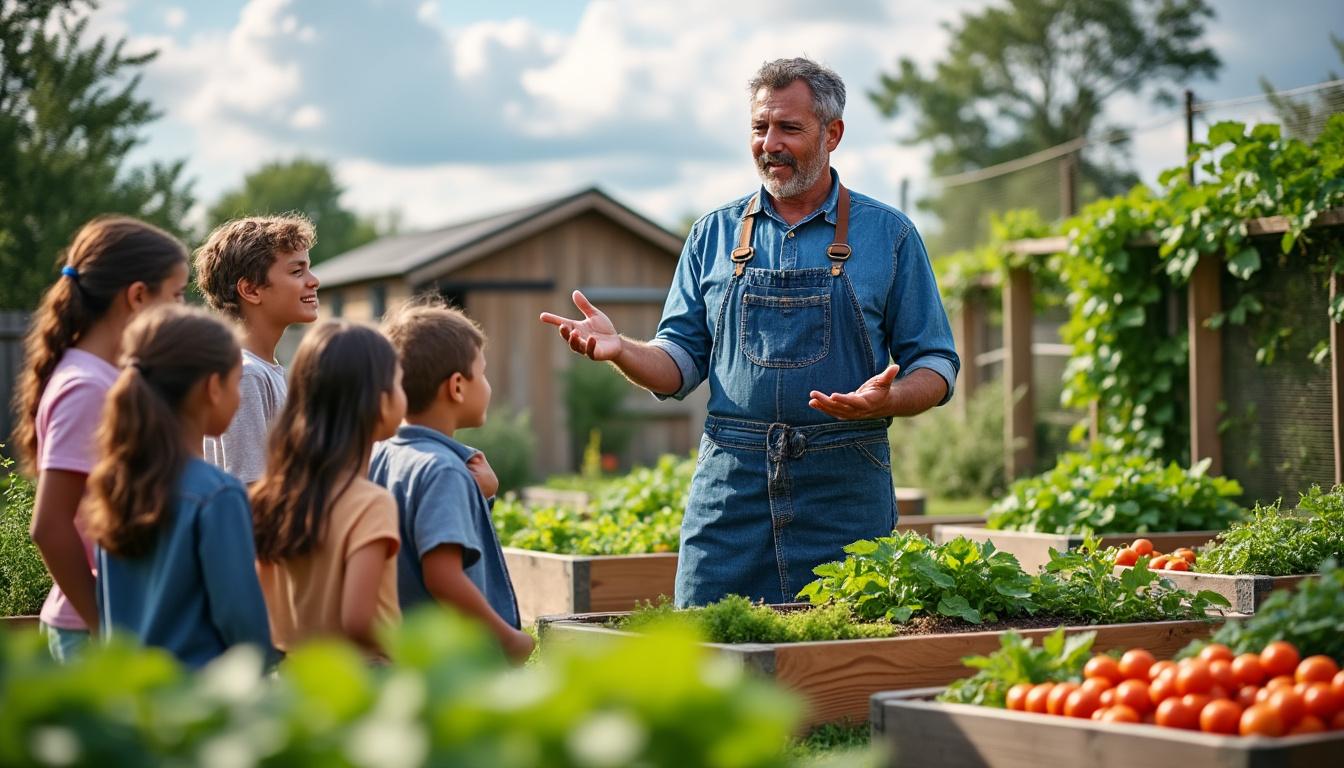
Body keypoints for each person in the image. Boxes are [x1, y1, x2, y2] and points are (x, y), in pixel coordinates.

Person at [540, 58, 960, 606]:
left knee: (843, 644)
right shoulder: (712, 235)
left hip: (844, 487)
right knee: (703, 637)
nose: (770, 144)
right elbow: (678, 364)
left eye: (789, 127)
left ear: (832, 134)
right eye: (760, 127)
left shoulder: (890, 235)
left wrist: (890, 399)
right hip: (732, 486)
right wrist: (622, 351)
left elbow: (936, 363)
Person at [11, 216, 189, 661]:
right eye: (177, 295)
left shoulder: (107, 377)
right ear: (138, 296)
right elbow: (50, 526)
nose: (183, 311)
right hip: (92, 634)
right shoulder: (87, 388)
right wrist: (105, 626)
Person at [87, 306, 275, 668]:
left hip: (131, 689)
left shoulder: (117, 486)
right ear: (212, 388)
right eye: (237, 382)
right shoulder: (218, 496)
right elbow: (243, 624)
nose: (239, 396)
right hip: (200, 696)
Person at [369, 301, 533, 663]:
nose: (488, 385)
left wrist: (477, 494)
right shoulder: (443, 470)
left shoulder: (382, 454)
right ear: (457, 386)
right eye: (483, 373)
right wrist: (506, 638)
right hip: (444, 662)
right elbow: (443, 576)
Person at [250, 321, 405, 659]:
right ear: (380, 402)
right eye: (399, 382)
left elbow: (261, 604)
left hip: (297, 671)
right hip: (364, 675)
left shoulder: (271, 496)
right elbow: (358, 621)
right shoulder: (371, 504)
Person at [193, 215, 320, 484]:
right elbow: (251, 488)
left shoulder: (260, 370)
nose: (314, 281)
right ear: (250, 290)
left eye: (308, 269)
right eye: (297, 272)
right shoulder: (247, 376)